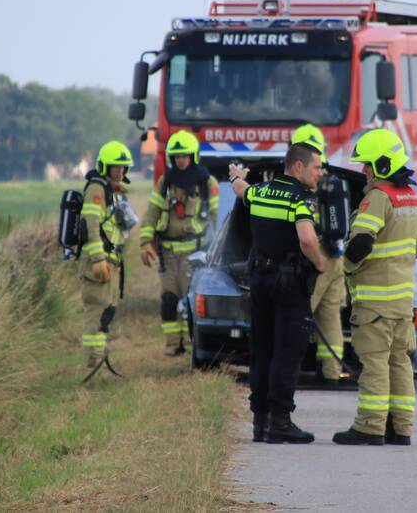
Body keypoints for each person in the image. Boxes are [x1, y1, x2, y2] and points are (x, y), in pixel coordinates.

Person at [333, 129, 417, 446]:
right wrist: (402, 260)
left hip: (374, 304)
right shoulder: (413, 198)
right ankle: (401, 428)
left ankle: (370, 427)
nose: (363, 172)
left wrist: (345, 268)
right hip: (402, 302)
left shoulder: (377, 198)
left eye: (367, 166)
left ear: (383, 165)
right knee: (400, 363)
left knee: (374, 363)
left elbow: (361, 242)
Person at [229, 144, 327, 444]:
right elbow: (307, 240)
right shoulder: (301, 199)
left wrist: (235, 176)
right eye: (316, 167)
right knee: (288, 350)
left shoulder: (260, 192)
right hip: (289, 285)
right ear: (298, 166)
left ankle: (260, 422)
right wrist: (322, 264)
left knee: (262, 348)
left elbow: (242, 191)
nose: (320, 173)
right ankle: (281, 422)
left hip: (258, 281)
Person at [139, 130, 219, 356]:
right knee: (168, 301)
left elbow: (216, 218)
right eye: (177, 157)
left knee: (192, 303)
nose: (181, 161)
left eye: (185, 156)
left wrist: (214, 251)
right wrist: (145, 240)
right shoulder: (165, 182)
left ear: (193, 156)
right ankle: (173, 345)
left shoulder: (207, 183)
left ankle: (196, 344)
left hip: (194, 255)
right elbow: (152, 212)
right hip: (168, 255)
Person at [291, 123, 348, 383]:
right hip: (337, 258)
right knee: (330, 318)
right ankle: (332, 373)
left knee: (299, 316)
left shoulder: (305, 188)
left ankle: (289, 370)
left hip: (317, 261)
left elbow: (303, 231)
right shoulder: (333, 182)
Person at [80, 140, 134, 378]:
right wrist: (98, 258)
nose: (119, 171)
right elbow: (89, 224)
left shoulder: (113, 191)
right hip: (98, 262)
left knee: (107, 312)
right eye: (115, 167)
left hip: (111, 261)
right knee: (96, 310)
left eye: (122, 167)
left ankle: (99, 358)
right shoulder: (96, 189)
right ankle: (93, 361)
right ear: (104, 167)